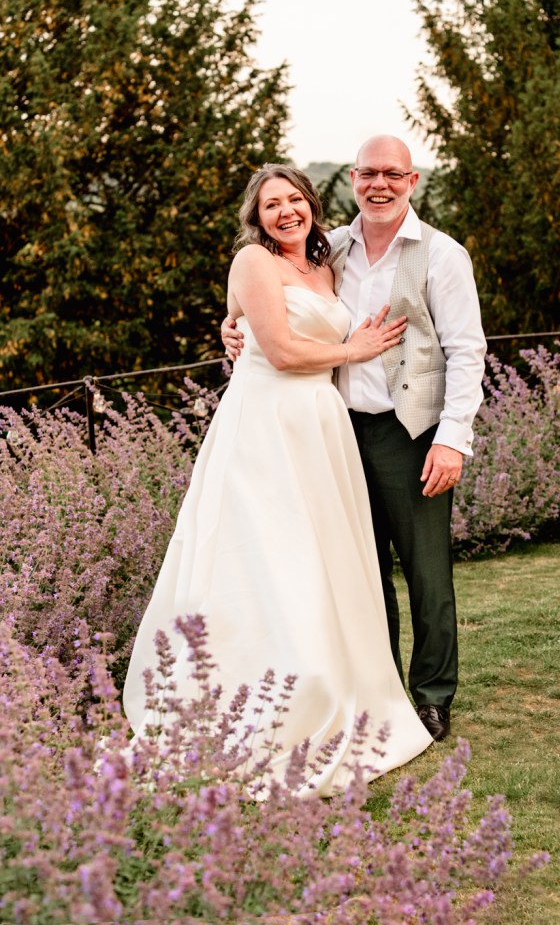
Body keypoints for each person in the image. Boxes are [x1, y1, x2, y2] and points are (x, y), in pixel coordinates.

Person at [123, 164, 433, 795]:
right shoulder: (252, 262)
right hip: (264, 425)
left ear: (313, 205)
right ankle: (257, 694)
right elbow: (283, 350)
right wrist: (355, 350)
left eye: (295, 199)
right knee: (260, 555)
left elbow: (247, 326)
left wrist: (230, 326)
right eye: (272, 205)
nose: (286, 211)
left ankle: (333, 676)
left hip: (321, 424)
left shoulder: (327, 263)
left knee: (319, 560)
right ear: (256, 216)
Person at [222, 136, 486, 742]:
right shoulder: (329, 247)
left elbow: (467, 353)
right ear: (353, 180)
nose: (379, 185)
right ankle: (380, 687)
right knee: (358, 571)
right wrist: (231, 326)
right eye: (368, 173)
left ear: (412, 181)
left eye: (393, 174)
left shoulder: (442, 256)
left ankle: (433, 694)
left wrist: (453, 439)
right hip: (334, 431)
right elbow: (270, 300)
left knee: (426, 573)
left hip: (409, 433)